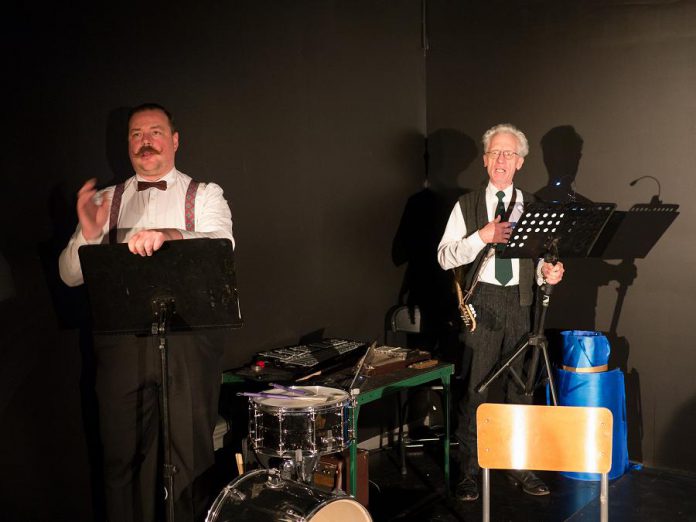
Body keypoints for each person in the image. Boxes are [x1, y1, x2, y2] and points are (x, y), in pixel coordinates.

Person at [59, 103, 235, 521]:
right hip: (122, 347)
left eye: (155, 132)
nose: (145, 141)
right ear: (127, 145)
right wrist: (88, 233)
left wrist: (170, 234)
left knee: (191, 457)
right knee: (122, 460)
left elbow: (221, 244)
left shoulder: (205, 194)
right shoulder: (106, 200)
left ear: (174, 140)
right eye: (136, 134)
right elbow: (69, 276)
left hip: (189, 343)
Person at [437, 123, 564, 502]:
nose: (501, 160)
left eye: (509, 154)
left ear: (520, 162)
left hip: (521, 303)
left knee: (521, 390)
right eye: (495, 153)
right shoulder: (467, 205)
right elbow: (444, 257)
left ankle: (520, 465)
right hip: (483, 302)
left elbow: (544, 263)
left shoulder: (535, 207)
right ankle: (469, 472)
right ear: (485, 159)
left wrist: (549, 273)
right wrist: (482, 237)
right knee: (477, 389)